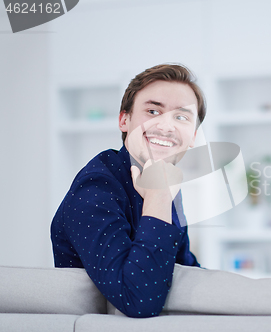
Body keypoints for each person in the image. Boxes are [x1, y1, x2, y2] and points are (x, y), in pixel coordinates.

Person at [51, 64, 206, 318]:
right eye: (153, 111)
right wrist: (157, 197)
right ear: (124, 120)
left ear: (193, 137)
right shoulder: (96, 186)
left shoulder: (165, 182)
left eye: (181, 117)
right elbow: (139, 300)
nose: (166, 127)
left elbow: (185, 269)